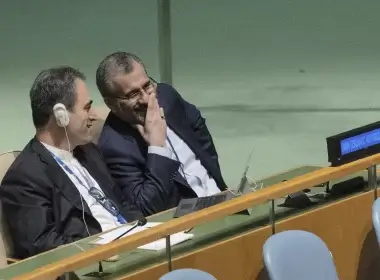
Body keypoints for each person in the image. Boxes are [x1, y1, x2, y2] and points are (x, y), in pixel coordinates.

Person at [0, 66, 143, 259]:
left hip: (135, 249)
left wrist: (146, 234)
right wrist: (102, 249)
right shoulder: (24, 177)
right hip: (94, 265)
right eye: (86, 107)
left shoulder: (89, 152)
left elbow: (123, 204)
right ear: (61, 116)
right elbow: (42, 245)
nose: (93, 115)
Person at [95, 52, 227, 216]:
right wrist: (157, 148)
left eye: (147, 86)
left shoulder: (166, 95)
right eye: (133, 94)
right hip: (185, 221)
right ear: (111, 103)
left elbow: (198, 128)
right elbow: (146, 208)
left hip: (221, 198)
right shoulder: (114, 147)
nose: (146, 99)